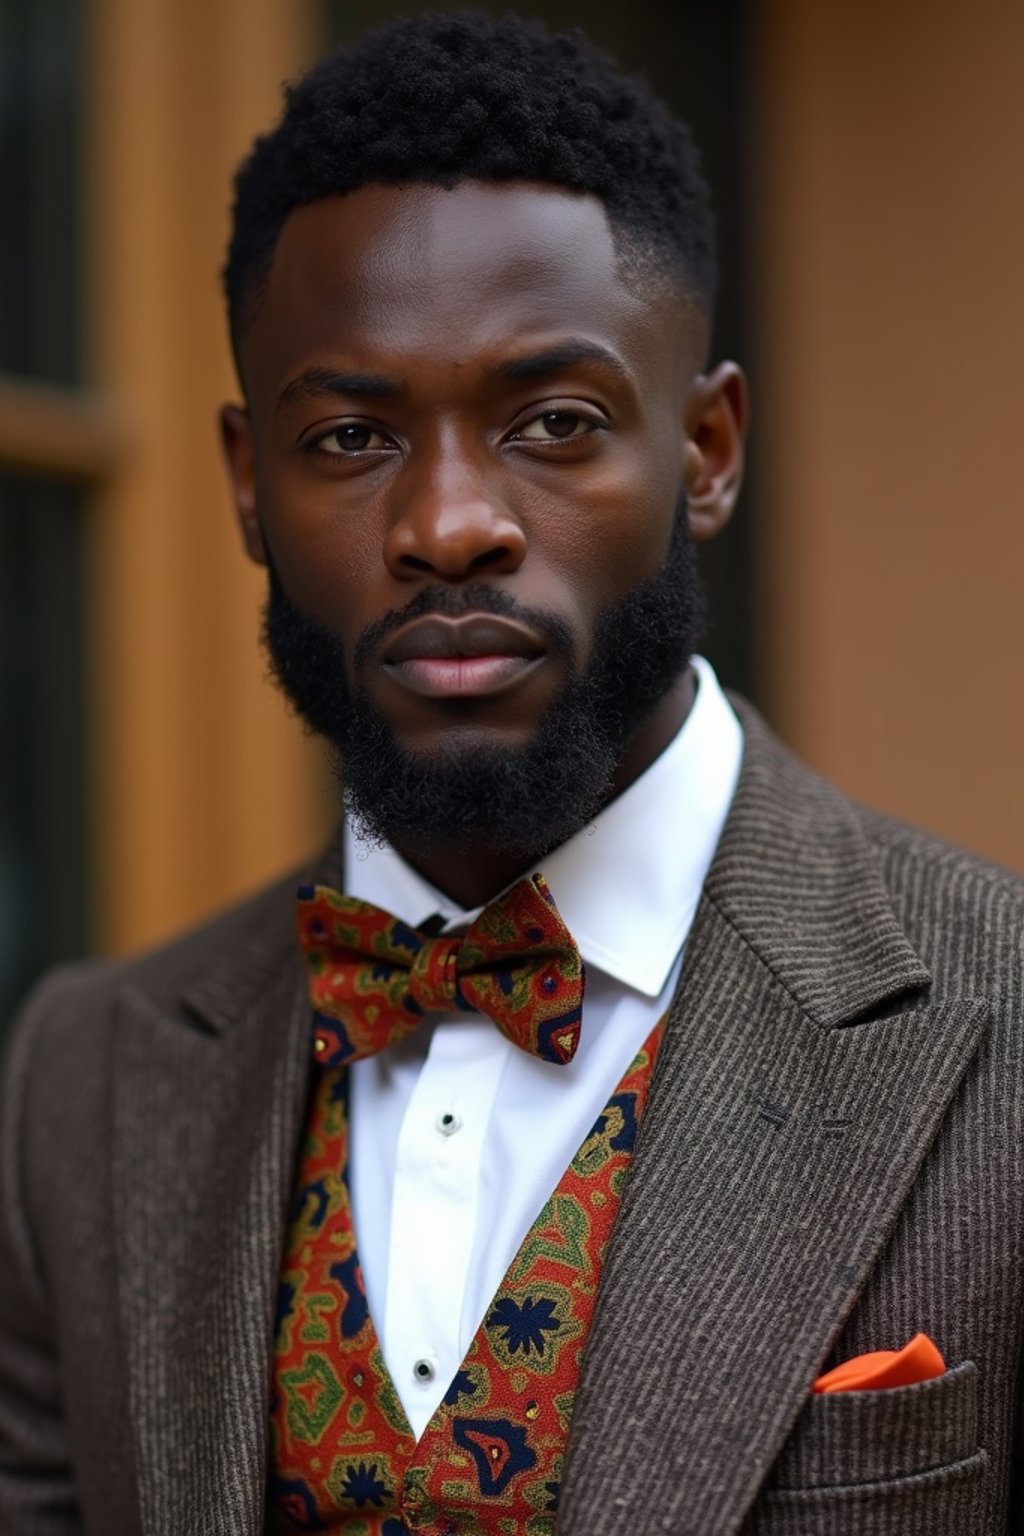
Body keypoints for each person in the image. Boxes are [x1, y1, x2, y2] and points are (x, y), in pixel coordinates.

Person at [1, 12, 1022, 1535]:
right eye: (349, 435)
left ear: (710, 448)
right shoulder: (78, 1083)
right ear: (245, 486)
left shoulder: (1003, 1032)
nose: (450, 522)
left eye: (553, 422)